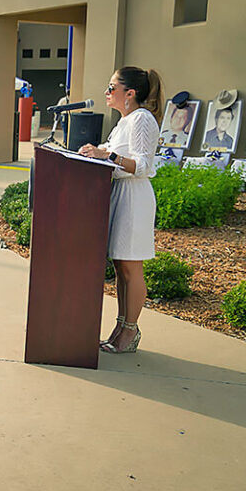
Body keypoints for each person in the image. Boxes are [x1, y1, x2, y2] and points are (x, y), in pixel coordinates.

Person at [79, 66, 164, 355]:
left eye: (111, 87)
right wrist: (93, 152)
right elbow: (111, 152)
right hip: (119, 194)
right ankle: (120, 327)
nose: (106, 92)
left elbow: (142, 165)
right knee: (120, 267)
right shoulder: (124, 121)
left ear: (130, 93)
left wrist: (108, 155)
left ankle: (130, 329)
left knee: (131, 267)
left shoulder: (142, 119)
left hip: (134, 197)